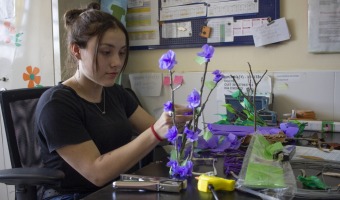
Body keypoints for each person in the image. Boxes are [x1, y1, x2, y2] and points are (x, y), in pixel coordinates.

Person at [35, 2, 192, 200]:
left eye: (122, 52)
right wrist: (155, 132)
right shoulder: (56, 105)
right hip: (75, 196)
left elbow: (162, 133)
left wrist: (177, 124)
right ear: (76, 51)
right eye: (106, 52)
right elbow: (97, 173)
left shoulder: (116, 93)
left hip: (118, 188)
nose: (116, 62)